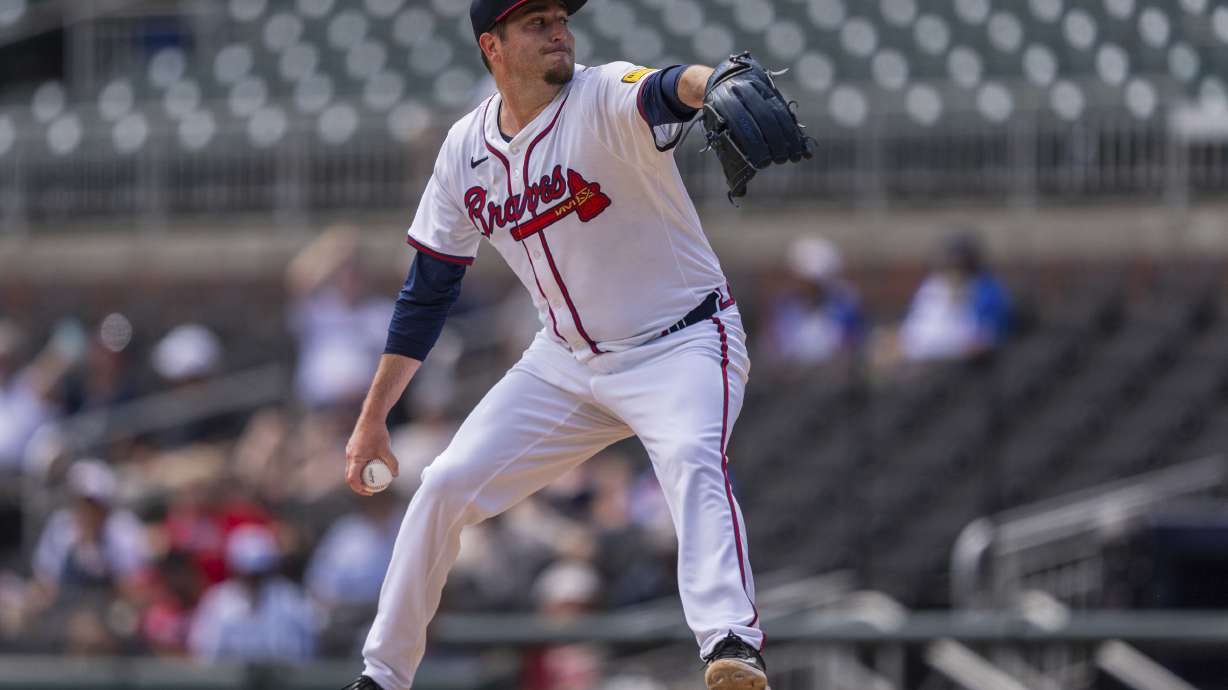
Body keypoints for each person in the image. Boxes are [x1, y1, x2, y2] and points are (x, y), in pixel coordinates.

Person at [340, 1, 767, 689]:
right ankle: (382, 676)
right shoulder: (464, 151)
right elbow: (426, 294)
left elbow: (665, 87)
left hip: (682, 343)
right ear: (493, 46)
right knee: (444, 485)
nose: (559, 30)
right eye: (536, 22)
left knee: (692, 457)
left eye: (560, 18)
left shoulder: (600, 95)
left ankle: (731, 645)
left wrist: (712, 81)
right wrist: (371, 419)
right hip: (566, 363)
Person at [897, 233, 1011, 362]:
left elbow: (982, 342)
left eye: (958, 264)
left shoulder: (986, 291)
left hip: (960, 364)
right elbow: (915, 330)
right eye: (949, 262)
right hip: (921, 356)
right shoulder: (933, 286)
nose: (952, 269)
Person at [761, 236, 863, 368]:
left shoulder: (844, 308)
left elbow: (852, 346)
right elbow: (773, 346)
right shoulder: (785, 307)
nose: (802, 285)